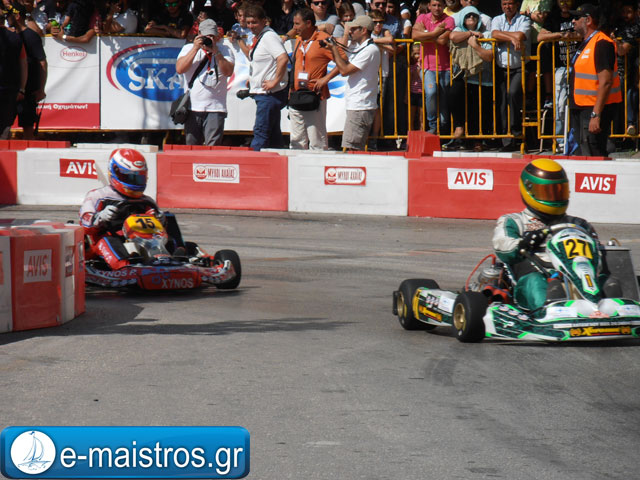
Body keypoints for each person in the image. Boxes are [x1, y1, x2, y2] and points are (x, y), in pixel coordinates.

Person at [492, 159, 600, 311]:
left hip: (580, 275)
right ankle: (547, 310)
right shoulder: (514, 221)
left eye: (558, 191)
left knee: (610, 280)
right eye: (547, 192)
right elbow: (502, 246)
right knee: (538, 283)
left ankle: (610, 306)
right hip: (538, 274)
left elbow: (598, 253)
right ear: (529, 190)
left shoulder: (579, 224)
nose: (554, 197)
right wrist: (524, 243)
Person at [80, 148, 163, 270]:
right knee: (108, 240)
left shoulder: (147, 201)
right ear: (115, 172)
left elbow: (158, 226)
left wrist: (160, 219)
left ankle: (173, 259)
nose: (134, 182)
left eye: (138, 178)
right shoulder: (98, 196)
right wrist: (100, 217)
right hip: (104, 243)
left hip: (142, 242)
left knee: (169, 222)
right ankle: (125, 267)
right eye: (128, 177)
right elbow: (84, 222)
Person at [230, 4, 289, 151]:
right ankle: (277, 161)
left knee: (261, 132)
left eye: (254, 22)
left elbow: (283, 58)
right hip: (263, 93)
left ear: (264, 21)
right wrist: (239, 40)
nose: (251, 26)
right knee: (273, 135)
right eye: (248, 23)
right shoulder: (259, 37)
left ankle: (254, 161)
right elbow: (251, 55)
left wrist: (275, 81)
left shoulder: (269, 37)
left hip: (268, 94)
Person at [568, 3, 621, 156]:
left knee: (593, 150)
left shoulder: (602, 43)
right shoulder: (587, 43)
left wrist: (596, 114)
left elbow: (606, 81)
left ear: (588, 20)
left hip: (593, 108)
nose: (573, 21)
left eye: (577, 18)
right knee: (584, 151)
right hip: (581, 106)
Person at [326, 14, 381, 150]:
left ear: (363, 30)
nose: (350, 32)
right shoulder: (358, 47)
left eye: (353, 29)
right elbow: (343, 60)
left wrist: (334, 49)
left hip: (361, 106)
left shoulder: (370, 50)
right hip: (358, 105)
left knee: (352, 149)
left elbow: (344, 70)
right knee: (353, 148)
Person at [176, 18, 235, 146]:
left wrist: (216, 52)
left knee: (213, 149)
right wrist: (195, 48)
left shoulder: (225, 50)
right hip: (192, 108)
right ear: (199, 35)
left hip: (216, 108)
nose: (209, 39)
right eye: (206, 36)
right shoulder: (188, 48)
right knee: (191, 146)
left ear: (217, 37)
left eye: (212, 36)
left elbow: (228, 72)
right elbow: (180, 69)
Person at [289, 7, 339, 150]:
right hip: (297, 95)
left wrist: (325, 79)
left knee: (317, 141)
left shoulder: (323, 39)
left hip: (315, 95)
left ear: (308, 23)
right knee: (296, 141)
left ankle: (318, 164)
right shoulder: (299, 40)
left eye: (297, 24)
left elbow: (343, 61)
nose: (294, 27)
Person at [448, 5, 493, 151]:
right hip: (463, 75)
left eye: (474, 15)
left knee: (477, 109)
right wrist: (471, 34)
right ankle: (459, 130)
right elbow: (453, 37)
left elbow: (489, 56)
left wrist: (475, 46)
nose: (471, 18)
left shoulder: (486, 34)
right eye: (468, 16)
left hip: (481, 77)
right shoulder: (459, 30)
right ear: (463, 18)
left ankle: (477, 140)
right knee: (454, 96)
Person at [537, 0, 579, 152]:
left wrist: (574, 36)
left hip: (578, 65)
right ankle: (560, 140)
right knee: (560, 105)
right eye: (561, 0)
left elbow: (585, 33)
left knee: (578, 103)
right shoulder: (553, 18)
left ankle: (577, 138)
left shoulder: (577, 15)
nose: (564, 3)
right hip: (560, 66)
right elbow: (540, 37)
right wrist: (561, 35)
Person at [491, 0, 531, 151]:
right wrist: (512, 38)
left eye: (510, 3)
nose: (507, 7)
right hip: (501, 68)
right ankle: (506, 140)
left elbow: (521, 35)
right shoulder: (497, 19)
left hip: (520, 67)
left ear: (516, 5)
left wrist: (506, 37)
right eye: (504, 4)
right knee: (502, 102)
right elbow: (494, 34)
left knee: (512, 93)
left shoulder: (524, 19)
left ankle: (516, 133)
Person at [6, 1, 47, 140]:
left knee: (28, 127)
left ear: (17, 16)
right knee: (4, 126)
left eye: (9, 15)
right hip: (10, 88)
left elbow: (42, 63)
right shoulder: (8, 36)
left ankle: (29, 151)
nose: (7, 18)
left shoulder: (31, 36)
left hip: (29, 91)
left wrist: (41, 89)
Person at [412, 0, 454, 135]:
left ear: (444, 6)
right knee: (431, 93)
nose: (437, 8)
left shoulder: (449, 19)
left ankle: (444, 130)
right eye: (434, 5)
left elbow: (442, 40)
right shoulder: (422, 17)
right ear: (429, 6)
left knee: (444, 100)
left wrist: (425, 33)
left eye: (439, 5)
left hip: (445, 67)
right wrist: (436, 32)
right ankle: (432, 125)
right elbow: (414, 36)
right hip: (427, 66)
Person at [612, 0, 640, 136]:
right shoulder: (617, 25)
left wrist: (615, 41)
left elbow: (622, 50)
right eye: (623, 12)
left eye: (628, 12)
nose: (625, 15)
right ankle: (615, 131)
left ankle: (630, 124)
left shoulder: (636, 27)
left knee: (630, 94)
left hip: (631, 68)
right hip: (616, 68)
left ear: (635, 12)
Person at [0, 6, 27, 140]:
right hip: (10, 88)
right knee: (5, 127)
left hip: (8, 88)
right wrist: (22, 88)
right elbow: (23, 64)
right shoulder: (16, 38)